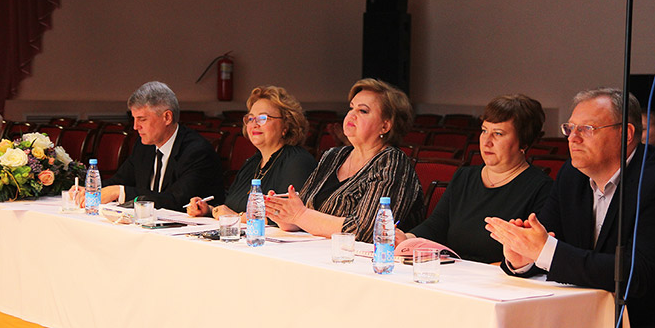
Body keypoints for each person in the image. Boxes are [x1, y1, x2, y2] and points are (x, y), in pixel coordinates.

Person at [484, 88, 655, 328]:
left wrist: (544, 252)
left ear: (626, 134)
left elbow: (637, 274)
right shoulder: (572, 175)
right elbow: (546, 241)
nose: (573, 138)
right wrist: (523, 258)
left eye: (587, 129)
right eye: (570, 129)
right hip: (584, 322)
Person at [395, 94, 552, 263]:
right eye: (484, 131)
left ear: (523, 143)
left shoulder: (542, 188)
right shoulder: (464, 177)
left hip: (502, 275)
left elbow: (534, 254)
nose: (486, 141)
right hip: (457, 271)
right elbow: (436, 225)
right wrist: (405, 239)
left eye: (498, 134)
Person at [265, 78, 424, 243]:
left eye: (363, 111)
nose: (351, 115)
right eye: (351, 108)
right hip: (318, 250)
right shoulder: (333, 156)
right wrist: (283, 214)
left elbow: (367, 230)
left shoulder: (392, 163)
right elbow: (304, 213)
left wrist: (300, 215)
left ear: (385, 126)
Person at [76, 81, 225, 211]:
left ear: (167, 117)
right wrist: (90, 190)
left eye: (142, 119)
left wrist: (120, 192)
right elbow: (120, 180)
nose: (135, 127)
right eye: (134, 119)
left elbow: (177, 200)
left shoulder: (197, 152)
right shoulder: (144, 146)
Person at [186, 86, 316, 219]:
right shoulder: (253, 162)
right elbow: (231, 206)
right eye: (250, 119)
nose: (254, 124)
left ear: (286, 126)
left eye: (263, 118)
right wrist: (209, 210)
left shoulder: (298, 162)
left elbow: (290, 219)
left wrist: (236, 217)